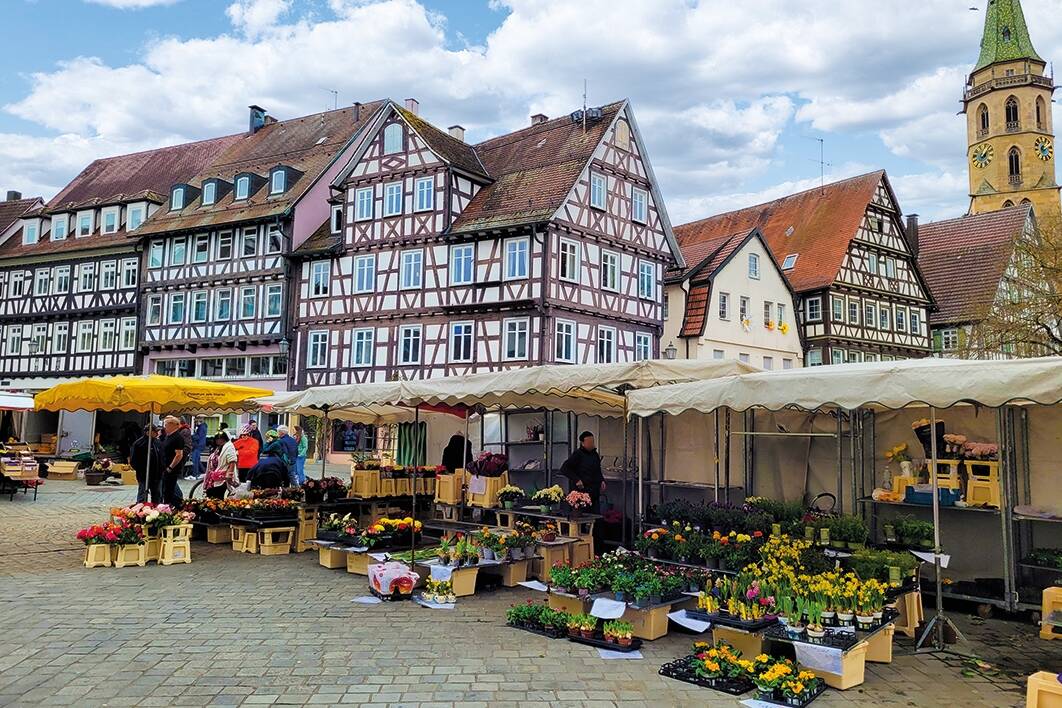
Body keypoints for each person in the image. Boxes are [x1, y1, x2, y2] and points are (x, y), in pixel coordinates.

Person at [561, 431, 605, 510]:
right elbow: (564, 468)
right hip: (582, 492)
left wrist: (602, 480)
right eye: (589, 442)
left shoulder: (595, 454)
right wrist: (577, 479)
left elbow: (598, 469)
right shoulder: (578, 454)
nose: (592, 444)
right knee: (583, 514)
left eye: (592, 442)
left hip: (594, 491)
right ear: (583, 443)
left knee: (596, 516)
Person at [130, 424, 162, 503]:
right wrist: (141, 470)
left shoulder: (157, 442)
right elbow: (133, 460)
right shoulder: (139, 444)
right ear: (148, 432)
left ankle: (156, 510)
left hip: (157, 474)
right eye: (155, 432)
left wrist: (162, 468)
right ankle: (141, 510)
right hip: (144, 475)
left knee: (157, 495)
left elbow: (161, 456)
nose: (157, 434)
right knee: (142, 494)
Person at [202, 433, 238, 499]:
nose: (219, 440)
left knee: (217, 496)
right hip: (213, 477)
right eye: (217, 439)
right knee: (211, 495)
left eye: (221, 439)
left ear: (225, 439)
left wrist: (230, 475)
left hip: (222, 477)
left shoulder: (229, 447)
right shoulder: (218, 447)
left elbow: (232, 461)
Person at [160, 416, 186, 506]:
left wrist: (170, 467)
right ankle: (173, 503)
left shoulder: (177, 437)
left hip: (171, 469)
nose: (165, 427)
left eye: (166, 425)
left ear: (172, 425)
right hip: (165, 467)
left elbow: (179, 454)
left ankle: (173, 505)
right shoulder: (168, 436)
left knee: (169, 490)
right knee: (167, 489)